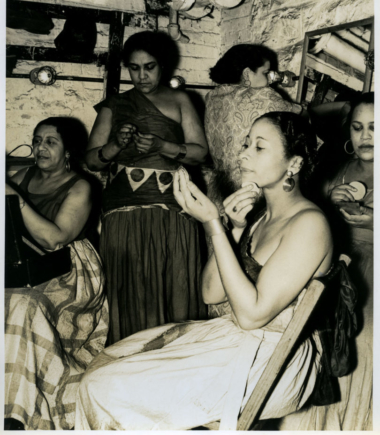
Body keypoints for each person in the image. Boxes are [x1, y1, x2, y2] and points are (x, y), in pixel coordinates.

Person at [75, 111, 333, 431]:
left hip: (272, 362)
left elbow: (252, 315)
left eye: (259, 147)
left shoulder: (309, 223)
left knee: (103, 388)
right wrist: (232, 229)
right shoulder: (261, 216)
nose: (243, 153)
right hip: (242, 341)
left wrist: (212, 223)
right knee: (108, 360)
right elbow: (210, 293)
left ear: (293, 163)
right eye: (245, 144)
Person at [85, 30, 208, 344]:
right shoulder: (116, 104)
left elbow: (199, 152)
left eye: (149, 67)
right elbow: (92, 161)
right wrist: (115, 146)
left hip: (172, 213)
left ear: (162, 66)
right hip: (123, 215)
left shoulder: (181, 99)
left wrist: (163, 145)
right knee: (130, 292)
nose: (141, 76)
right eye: (134, 68)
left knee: (174, 290)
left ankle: (173, 366)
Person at [4, 117, 108, 430]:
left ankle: (19, 410)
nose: (40, 147)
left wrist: (12, 195)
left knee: (24, 306)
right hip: (22, 265)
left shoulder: (81, 185)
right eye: (37, 140)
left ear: (68, 151)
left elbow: (55, 239)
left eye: (51, 141)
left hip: (68, 269)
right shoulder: (20, 176)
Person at [278, 92, 374, 431]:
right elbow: (311, 222)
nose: (365, 136)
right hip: (335, 272)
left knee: (361, 348)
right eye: (358, 127)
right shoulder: (337, 167)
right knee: (321, 346)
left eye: (375, 128)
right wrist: (328, 203)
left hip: (372, 279)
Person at [204, 44, 303, 209]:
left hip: (220, 192)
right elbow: (298, 114)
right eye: (265, 73)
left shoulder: (211, 97)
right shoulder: (263, 95)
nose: (268, 81)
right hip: (253, 193)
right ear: (247, 74)